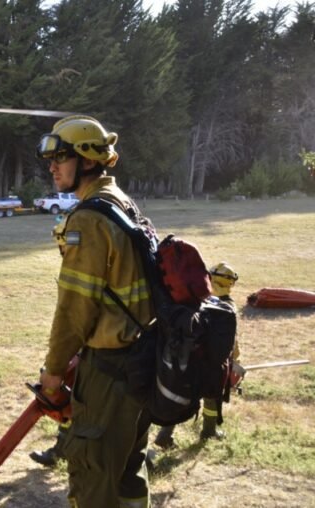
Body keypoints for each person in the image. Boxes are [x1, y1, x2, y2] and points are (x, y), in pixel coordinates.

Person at [36, 115, 152, 507]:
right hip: (141, 363)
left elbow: (73, 310)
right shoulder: (122, 203)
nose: (52, 166)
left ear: (87, 160)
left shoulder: (87, 219)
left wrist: (53, 373)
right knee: (127, 475)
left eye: (61, 157)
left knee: (92, 479)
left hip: (108, 372)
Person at [154, 261, 241, 448]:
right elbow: (232, 341)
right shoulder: (228, 308)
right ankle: (209, 432)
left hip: (190, 359)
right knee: (211, 398)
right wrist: (237, 361)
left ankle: (165, 434)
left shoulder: (199, 297)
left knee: (182, 398)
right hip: (212, 365)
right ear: (230, 283)